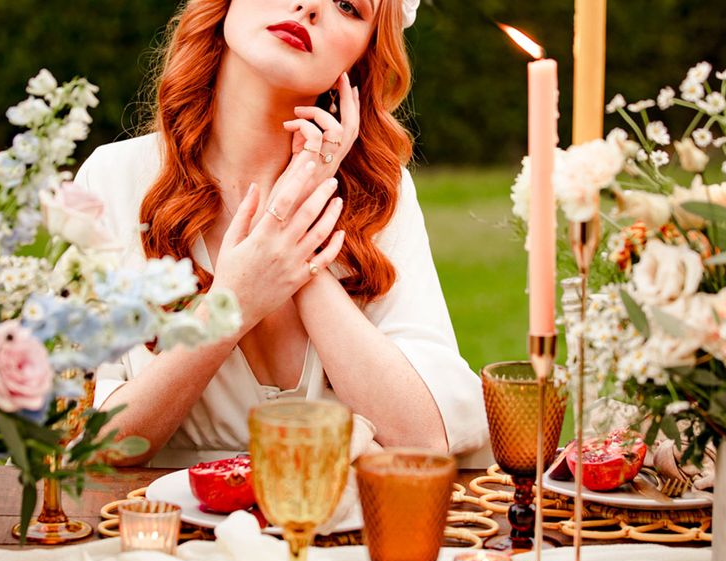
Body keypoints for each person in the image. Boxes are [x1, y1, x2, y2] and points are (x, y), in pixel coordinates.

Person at [76, 0, 489, 477]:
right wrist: (233, 302)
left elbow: (422, 438)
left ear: (362, 57)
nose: (310, 6)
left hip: (338, 542)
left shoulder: (380, 193)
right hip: (154, 535)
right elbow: (86, 442)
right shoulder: (115, 179)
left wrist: (299, 244)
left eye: (348, 6)